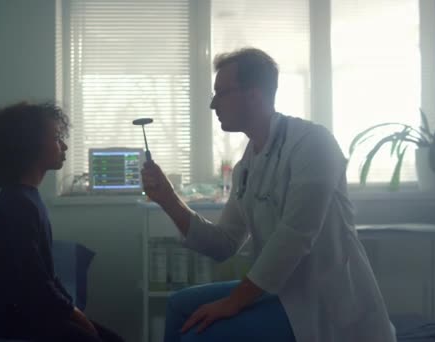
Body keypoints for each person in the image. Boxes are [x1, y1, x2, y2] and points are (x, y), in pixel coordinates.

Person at [141, 48, 397, 342]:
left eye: (221, 93)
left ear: (253, 94)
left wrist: (232, 302)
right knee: (178, 307)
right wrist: (169, 200)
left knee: (197, 336)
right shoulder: (248, 165)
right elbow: (224, 244)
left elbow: (295, 237)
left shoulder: (313, 143)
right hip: (280, 290)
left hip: (325, 302)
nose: (213, 104)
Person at [0, 102, 124, 342]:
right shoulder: (16, 204)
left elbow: (45, 274)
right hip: (11, 319)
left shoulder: (27, 197)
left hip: (34, 311)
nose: (63, 146)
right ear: (29, 147)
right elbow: (33, 282)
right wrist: (74, 315)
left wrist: (70, 309)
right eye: (56, 138)